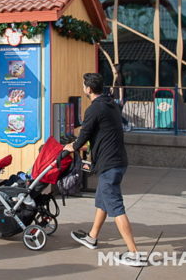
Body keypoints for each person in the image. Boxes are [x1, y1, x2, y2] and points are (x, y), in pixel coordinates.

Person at [64, 73, 145, 266]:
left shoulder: (94, 108)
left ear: (88, 89)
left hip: (109, 164)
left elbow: (84, 134)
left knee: (116, 207)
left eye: (84, 85)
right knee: (102, 200)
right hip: (118, 161)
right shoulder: (111, 104)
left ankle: (134, 254)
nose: (83, 88)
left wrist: (72, 147)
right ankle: (92, 237)